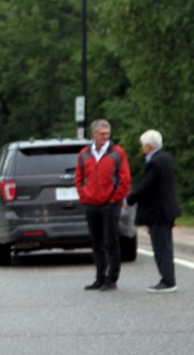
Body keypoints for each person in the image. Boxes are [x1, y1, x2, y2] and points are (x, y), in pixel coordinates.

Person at [75, 119, 132, 291]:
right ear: (94, 134)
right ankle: (100, 277)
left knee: (111, 241)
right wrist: (84, 196)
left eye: (108, 134)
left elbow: (125, 179)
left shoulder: (117, 152)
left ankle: (112, 278)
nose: (105, 137)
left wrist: (116, 198)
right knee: (96, 242)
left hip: (110, 203)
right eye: (102, 134)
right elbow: (78, 178)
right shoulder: (84, 154)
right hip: (91, 203)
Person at [125, 130, 180, 292]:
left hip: (158, 211)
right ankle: (168, 278)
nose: (142, 148)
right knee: (165, 247)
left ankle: (168, 281)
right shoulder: (166, 158)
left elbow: (146, 186)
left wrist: (129, 200)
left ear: (148, 146)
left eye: (143, 145)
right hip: (166, 209)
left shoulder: (155, 162)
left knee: (161, 248)